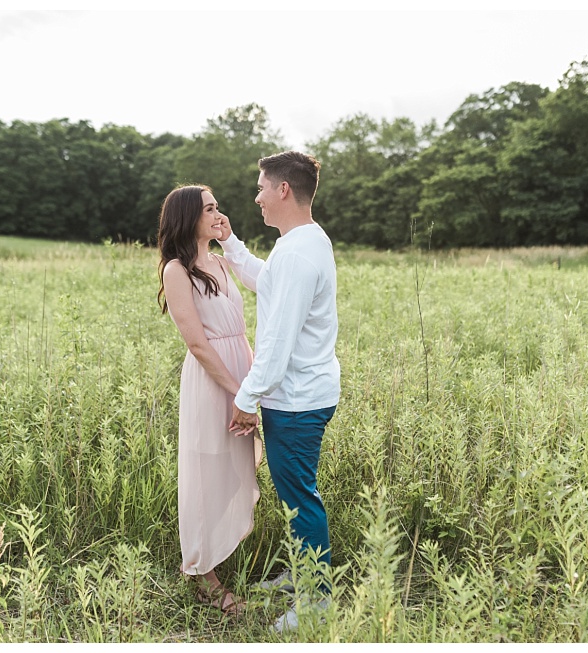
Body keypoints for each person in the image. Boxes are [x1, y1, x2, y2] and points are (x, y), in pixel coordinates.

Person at [222, 151, 339, 632]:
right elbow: (265, 283)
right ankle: (302, 574)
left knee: (300, 496)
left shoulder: (298, 253)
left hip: (296, 401)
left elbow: (277, 341)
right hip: (302, 395)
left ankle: (316, 603)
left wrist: (247, 397)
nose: (258, 196)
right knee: (294, 493)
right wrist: (230, 243)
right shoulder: (302, 243)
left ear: (283, 190)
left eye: (261, 187)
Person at [157, 184, 262, 614]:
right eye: (209, 208)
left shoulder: (219, 261)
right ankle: (202, 573)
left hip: (241, 369)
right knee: (206, 468)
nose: (217, 213)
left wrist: (254, 385)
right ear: (188, 217)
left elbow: (249, 307)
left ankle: (224, 553)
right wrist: (239, 391)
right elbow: (198, 344)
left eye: (218, 206)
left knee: (235, 464)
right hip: (212, 377)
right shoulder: (176, 271)